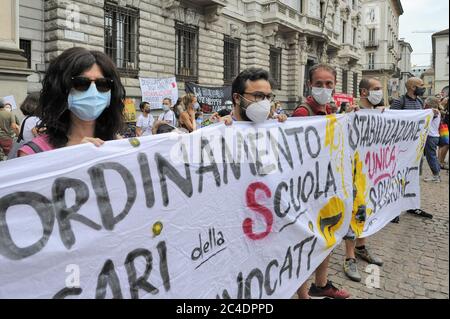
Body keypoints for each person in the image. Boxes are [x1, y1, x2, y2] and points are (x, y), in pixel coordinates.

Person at [292, 64, 350, 299]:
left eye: (329, 84)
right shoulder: (303, 112)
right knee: (305, 242)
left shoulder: (331, 110)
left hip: (325, 186)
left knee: (327, 237)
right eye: (319, 84)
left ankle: (321, 284)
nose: (324, 88)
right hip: (306, 189)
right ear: (309, 85)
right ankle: (303, 294)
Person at [18, 47, 125, 157]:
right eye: (81, 83)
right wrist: (73, 157)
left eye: (103, 84)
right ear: (61, 89)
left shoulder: (119, 147)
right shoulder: (33, 153)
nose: (93, 92)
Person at [342, 77, 384, 283]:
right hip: (353, 173)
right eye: (376, 89)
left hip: (372, 173)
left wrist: (432, 113)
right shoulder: (352, 114)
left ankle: (361, 248)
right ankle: (349, 256)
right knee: (354, 212)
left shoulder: (382, 114)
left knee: (365, 211)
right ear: (364, 92)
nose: (380, 92)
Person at [389, 77, 433, 219]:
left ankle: (412, 206)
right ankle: (393, 209)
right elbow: (391, 121)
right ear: (413, 87)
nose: (423, 87)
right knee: (397, 178)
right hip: (401, 148)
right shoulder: (399, 102)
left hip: (415, 149)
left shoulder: (420, 102)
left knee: (413, 177)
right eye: (421, 85)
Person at [423, 96, 442, 183]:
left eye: (425, 103)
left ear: (428, 104)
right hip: (434, 137)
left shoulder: (434, 112)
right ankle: (437, 174)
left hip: (431, 137)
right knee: (432, 156)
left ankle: (436, 176)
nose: (424, 104)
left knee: (431, 157)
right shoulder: (434, 111)